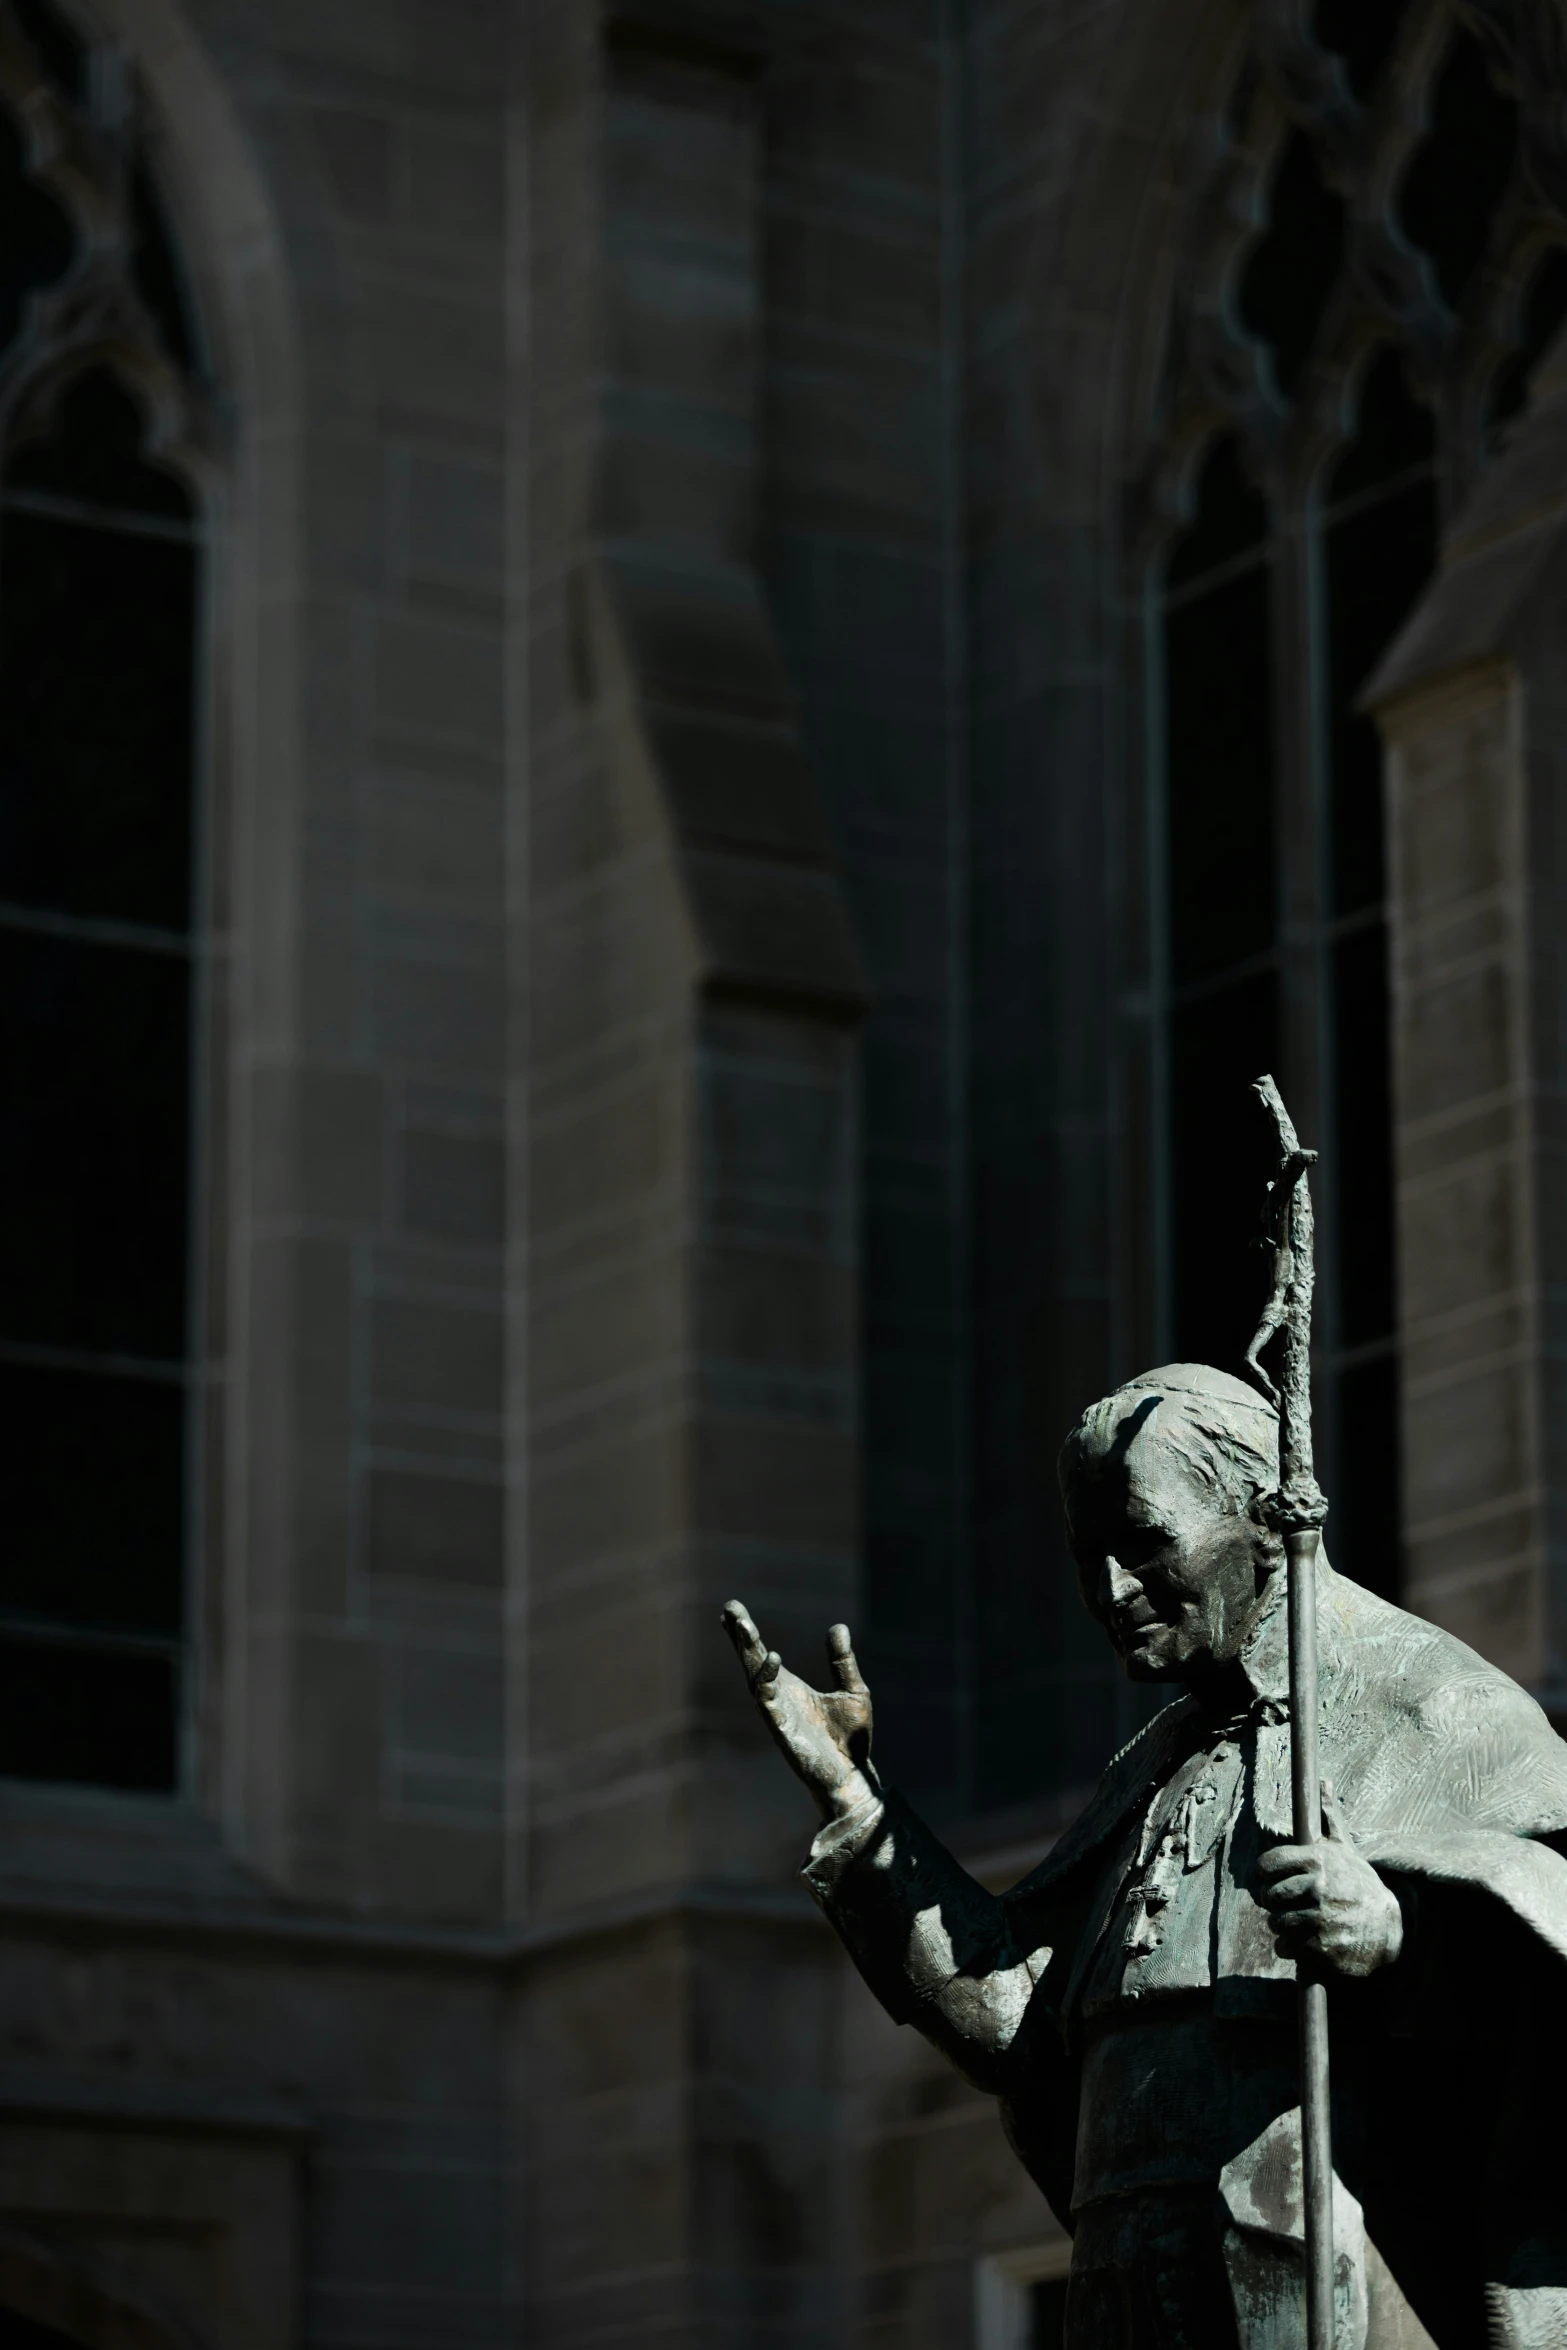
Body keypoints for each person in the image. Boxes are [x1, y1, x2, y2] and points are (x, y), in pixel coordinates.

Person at [723, 1362, 1567, 2350]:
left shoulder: (1429, 1698)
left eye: (1144, 1543)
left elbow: (1549, 1950)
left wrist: (1399, 1938)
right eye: (1089, 1556)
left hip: (1321, 2279)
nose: (1110, 1590)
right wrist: (856, 1804)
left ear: (1264, 1516)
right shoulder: (1153, 1762)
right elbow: (1018, 2026)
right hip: (1125, 2279)